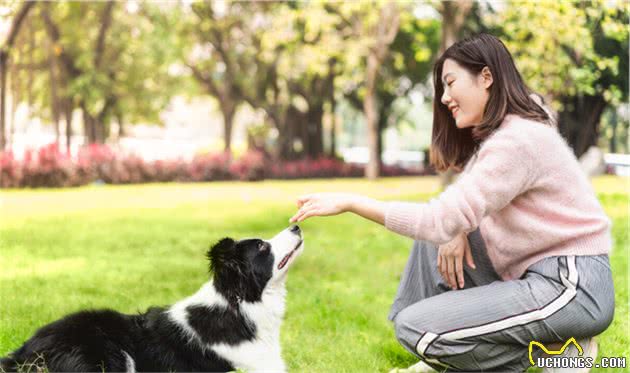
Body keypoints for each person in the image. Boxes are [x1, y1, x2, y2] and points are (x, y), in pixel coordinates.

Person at [289, 33, 614, 373]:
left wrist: (351, 201)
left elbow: (440, 217)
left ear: (486, 77)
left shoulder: (519, 139)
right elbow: (458, 209)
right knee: (436, 245)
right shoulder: (511, 129)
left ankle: (559, 351)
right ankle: (441, 351)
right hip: (535, 276)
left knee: (415, 326)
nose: (444, 98)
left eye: (450, 82)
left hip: (571, 286)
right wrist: (457, 229)